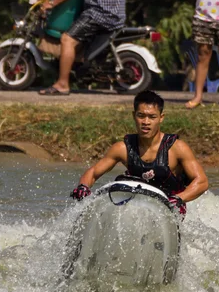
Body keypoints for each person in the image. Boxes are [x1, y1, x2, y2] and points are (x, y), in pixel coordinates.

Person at [70, 90, 209, 215]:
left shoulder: (177, 148)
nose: (146, 122)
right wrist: (83, 187)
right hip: (135, 209)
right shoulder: (122, 148)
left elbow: (201, 182)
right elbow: (93, 173)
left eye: (152, 117)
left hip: (170, 210)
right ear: (134, 116)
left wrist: (179, 199)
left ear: (161, 117)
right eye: (141, 116)